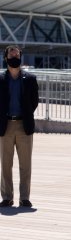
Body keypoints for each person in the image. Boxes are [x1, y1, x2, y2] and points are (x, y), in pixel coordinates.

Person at [0, 45, 39, 207]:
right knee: (5, 164)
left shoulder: (30, 79)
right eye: (11, 54)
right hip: (5, 125)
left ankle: (24, 197)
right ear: (6, 58)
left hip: (24, 125)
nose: (14, 56)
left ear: (21, 57)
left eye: (17, 54)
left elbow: (34, 101)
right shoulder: (1, 79)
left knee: (25, 164)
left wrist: (27, 115)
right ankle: (7, 197)